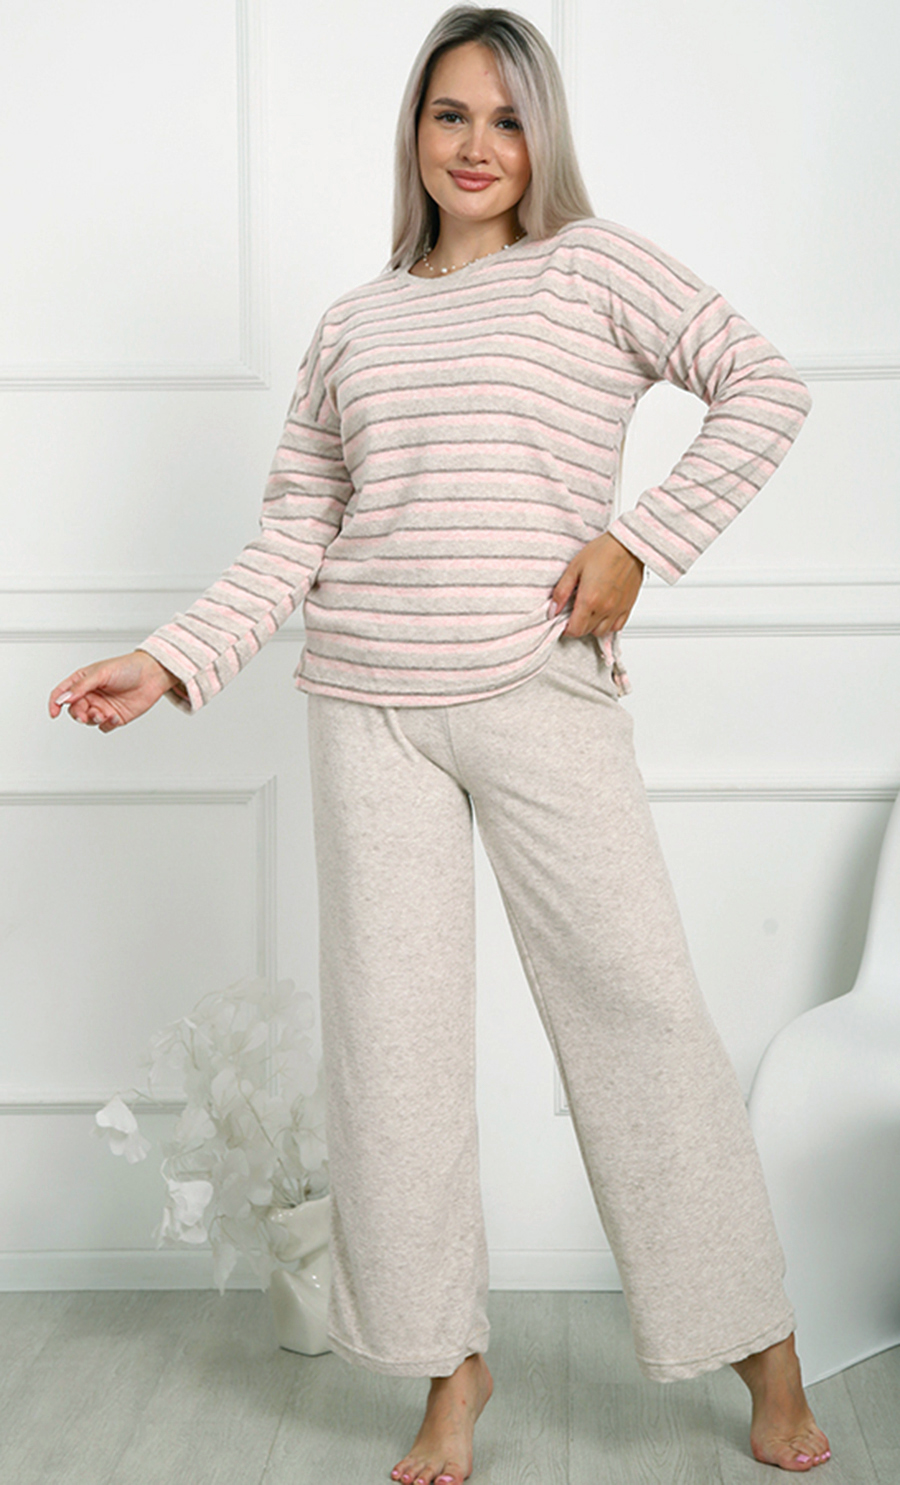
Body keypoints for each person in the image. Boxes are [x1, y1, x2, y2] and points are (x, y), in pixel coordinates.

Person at [48, 6, 832, 1480]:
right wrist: (170, 656)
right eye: (452, 114)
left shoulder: (593, 266)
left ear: (545, 136)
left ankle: (761, 1346)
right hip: (368, 708)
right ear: (414, 129)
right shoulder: (355, 321)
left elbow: (765, 387)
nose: (478, 146)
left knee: (640, 1019)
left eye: (508, 118)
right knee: (395, 1060)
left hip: (540, 686)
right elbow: (297, 528)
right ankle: (446, 1369)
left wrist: (639, 543)